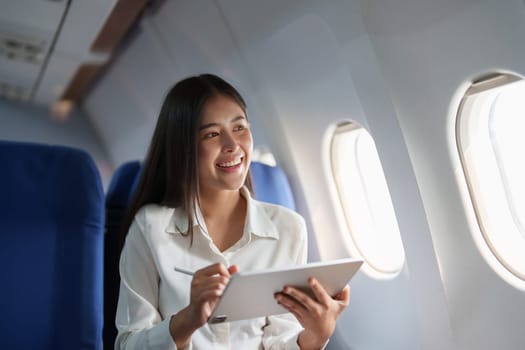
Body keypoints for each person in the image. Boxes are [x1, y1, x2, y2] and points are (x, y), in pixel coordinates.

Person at [115, 73, 350, 349]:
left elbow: (279, 341)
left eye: (239, 128)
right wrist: (188, 319)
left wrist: (316, 334)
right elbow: (127, 344)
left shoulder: (289, 228)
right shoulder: (150, 227)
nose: (232, 145)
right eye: (212, 134)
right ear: (183, 148)